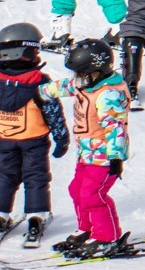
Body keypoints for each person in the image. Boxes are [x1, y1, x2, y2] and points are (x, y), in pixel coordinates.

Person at [50, 36, 133, 258]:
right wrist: (38, 93)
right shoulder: (87, 82)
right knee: (76, 190)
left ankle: (108, 238)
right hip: (86, 154)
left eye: (80, 74)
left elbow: (116, 127)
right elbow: (65, 86)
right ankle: (87, 229)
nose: (77, 79)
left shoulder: (108, 95)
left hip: (105, 157)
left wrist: (116, 157)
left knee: (92, 195)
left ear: (96, 71)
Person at [0, 23, 68, 248]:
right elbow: (53, 112)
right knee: (36, 176)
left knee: (4, 175)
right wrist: (62, 138)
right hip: (34, 141)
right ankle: (36, 216)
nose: (38, 54)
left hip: (4, 140)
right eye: (35, 50)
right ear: (25, 52)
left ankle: (1, 212)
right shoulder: (40, 83)